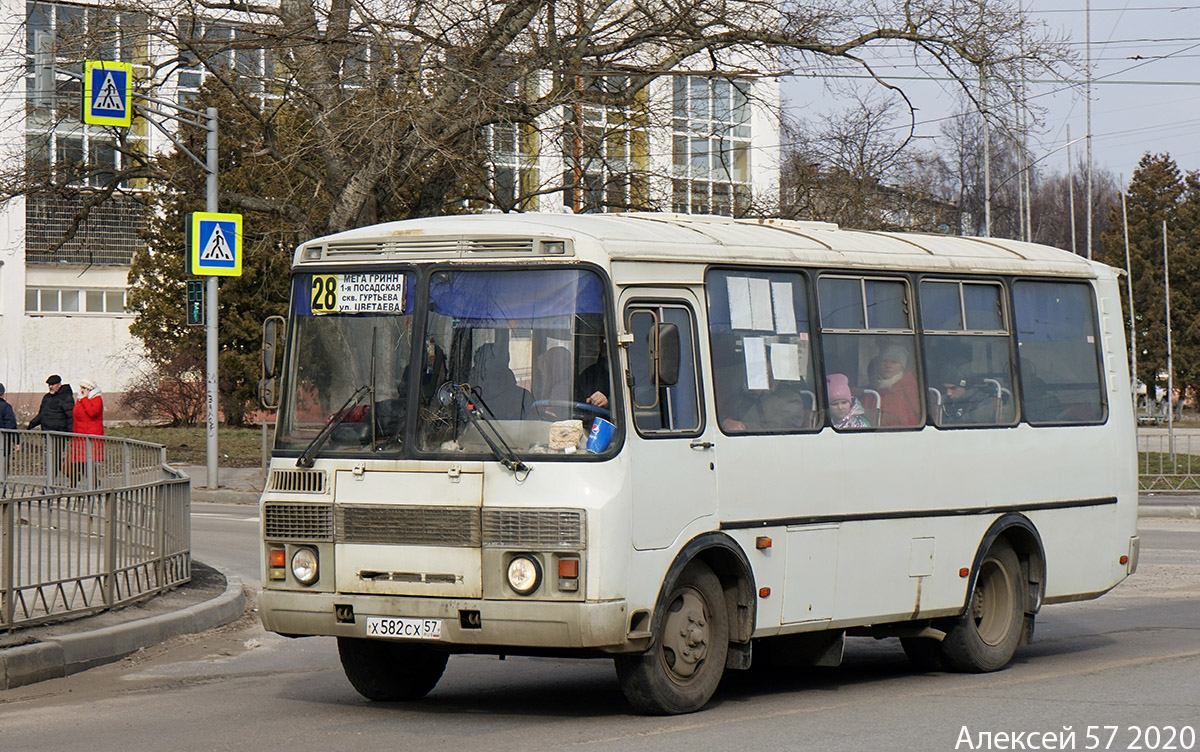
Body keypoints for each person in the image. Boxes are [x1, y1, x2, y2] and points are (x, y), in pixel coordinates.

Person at [870, 345, 921, 427]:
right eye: (884, 361)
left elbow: (913, 422)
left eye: (894, 362)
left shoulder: (910, 389)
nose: (888, 365)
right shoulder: (872, 390)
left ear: (902, 367)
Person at [69, 379, 105, 486]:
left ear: (90, 389)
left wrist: (84, 399)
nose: (81, 390)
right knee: (75, 462)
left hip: (90, 436)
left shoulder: (97, 399)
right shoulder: (80, 400)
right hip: (79, 436)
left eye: (84, 388)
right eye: (81, 388)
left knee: (86, 462)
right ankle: (78, 483)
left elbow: (92, 412)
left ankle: (92, 484)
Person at [0, 383, 20, 474]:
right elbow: (11, 424)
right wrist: (17, 441)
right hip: (2, 442)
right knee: (2, 468)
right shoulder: (5, 407)